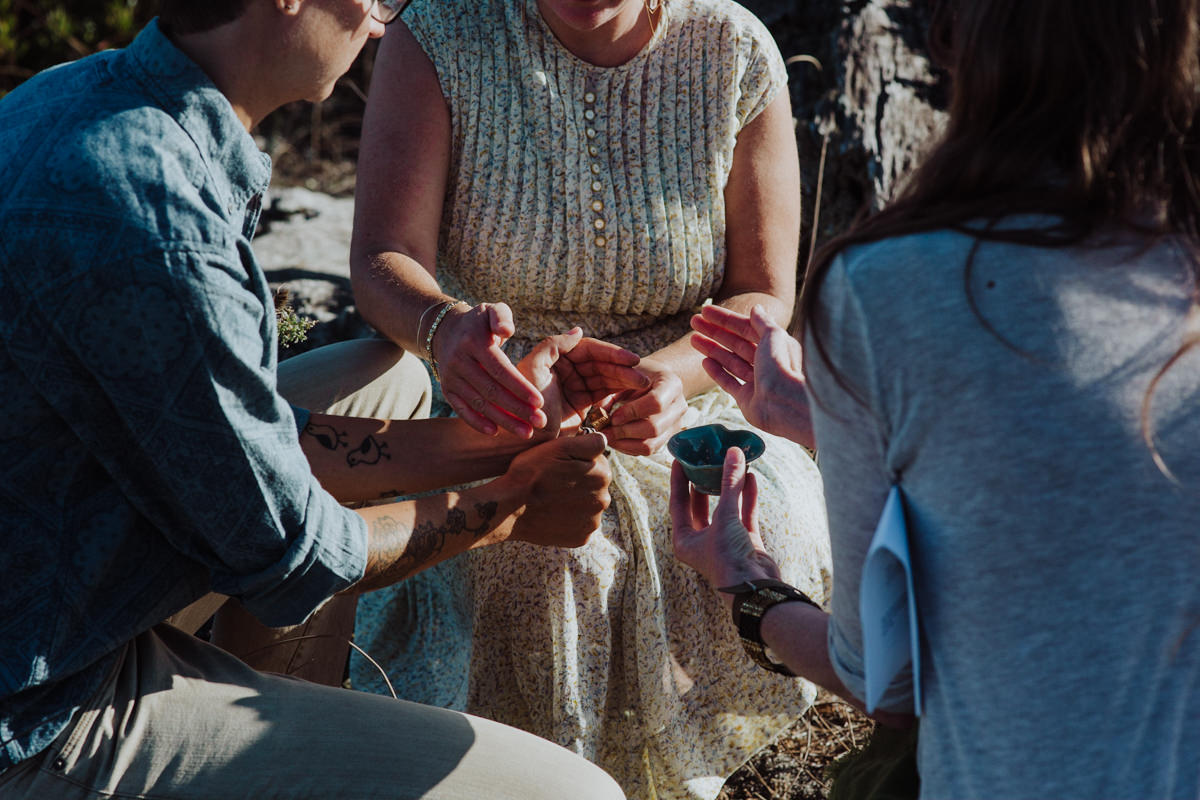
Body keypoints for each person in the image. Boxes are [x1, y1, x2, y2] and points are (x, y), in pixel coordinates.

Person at [0, 1, 636, 797]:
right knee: (578, 795)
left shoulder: (78, 98)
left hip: (49, 579)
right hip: (39, 707)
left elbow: (228, 435)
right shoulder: (156, 216)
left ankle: (280, 727)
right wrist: (508, 508)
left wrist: (501, 438)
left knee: (394, 377)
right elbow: (291, 552)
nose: (378, 23)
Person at [674, 0, 1200, 796]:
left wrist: (747, 584)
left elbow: (883, 684)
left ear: (966, 43)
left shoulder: (890, 288)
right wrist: (830, 423)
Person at [346, 0, 834, 796]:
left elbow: (760, 294)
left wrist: (667, 381)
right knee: (541, 557)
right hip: (494, 390)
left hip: (685, 390)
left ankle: (677, 771)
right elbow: (382, 257)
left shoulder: (734, 49)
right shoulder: (439, 32)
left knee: (754, 514)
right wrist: (446, 332)